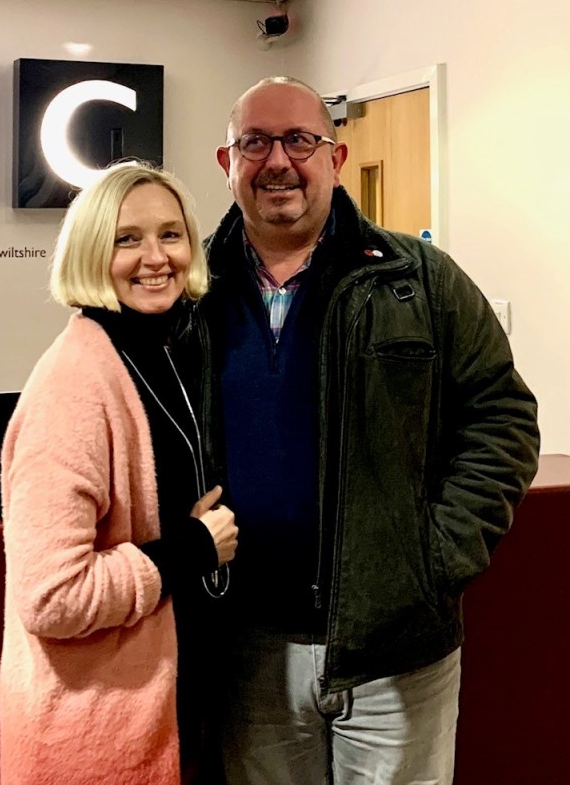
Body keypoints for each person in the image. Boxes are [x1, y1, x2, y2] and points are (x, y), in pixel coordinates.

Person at [201, 76, 540, 784]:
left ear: (337, 157)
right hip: (246, 644)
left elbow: (501, 416)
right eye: (254, 142)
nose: (278, 161)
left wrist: (435, 560)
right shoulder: (188, 291)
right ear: (226, 162)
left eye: (301, 139)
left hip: (397, 647)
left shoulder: (420, 280)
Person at [0, 161, 239, 785]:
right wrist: (191, 549)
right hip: (98, 731)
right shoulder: (73, 386)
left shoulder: (168, 349)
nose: (155, 257)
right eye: (126, 239)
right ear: (89, 253)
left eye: (170, 234)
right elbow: (52, 596)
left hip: (180, 706)